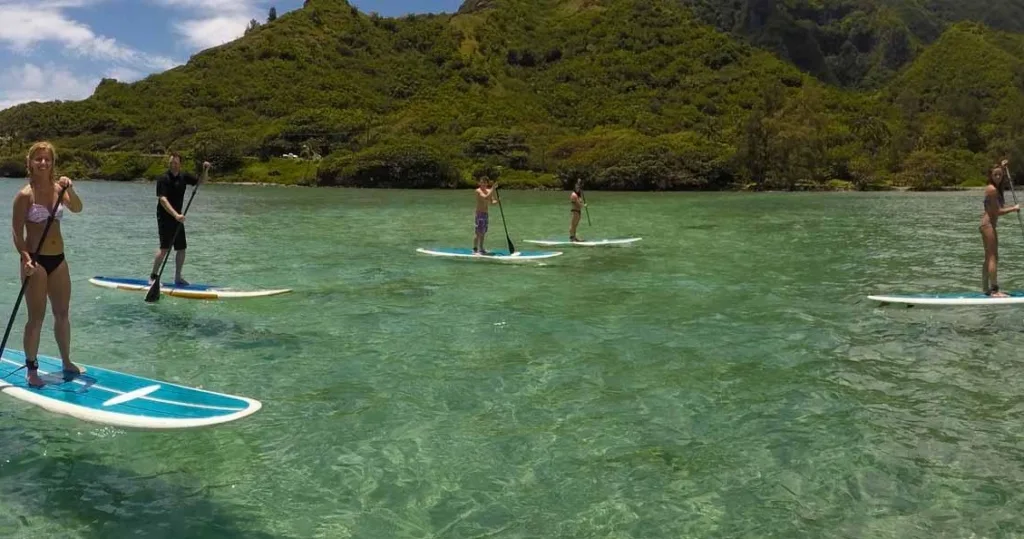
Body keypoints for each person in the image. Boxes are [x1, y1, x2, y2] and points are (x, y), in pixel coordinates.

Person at [11, 141, 84, 387]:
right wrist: (25, 257)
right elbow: (16, 232)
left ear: (53, 162)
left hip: (59, 259)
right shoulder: (24, 195)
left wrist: (69, 189)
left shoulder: (59, 189)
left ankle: (67, 361)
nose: (43, 163)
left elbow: (77, 208)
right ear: (30, 162)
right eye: (38, 159)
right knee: (36, 317)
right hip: (35, 260)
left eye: (47, 159)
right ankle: (31, 368)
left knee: (62, 313)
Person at [149, 153, 210, 286]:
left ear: (180, 164)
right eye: (171, 163)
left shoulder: (184, 177)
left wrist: (205, 170)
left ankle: (178, 277)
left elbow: (201, 182)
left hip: (178, 218)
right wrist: (175, 215)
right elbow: (163, 200)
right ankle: (153, 277)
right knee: (164, 248)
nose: (173, 165)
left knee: (181, 248)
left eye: (176, 163)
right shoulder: (163, 178)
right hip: (165, 217)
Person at [980, 159, 1020, 297]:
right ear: (990, 176)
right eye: (995, 175)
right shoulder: (991, 190)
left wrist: (1003, 167)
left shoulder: (996, 189)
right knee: (993, 257)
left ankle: (986, 289)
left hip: (988, 225)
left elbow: (1002, 187)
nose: (998, 177)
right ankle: (994, 290)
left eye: (1000, 175)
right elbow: (998, 211)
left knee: (989, 257)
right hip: (988, 225)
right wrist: (1014, 209)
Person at [473, 175, 498, 254]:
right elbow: (486, 198)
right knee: (478, 233)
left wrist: (497, 201)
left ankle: (481, 249)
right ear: (479, 183)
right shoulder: (478, 191)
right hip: (479, 214)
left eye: (485, 183)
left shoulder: (488, 190)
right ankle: (475, 249)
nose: (483, 184)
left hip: (485, 214)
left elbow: (491, 201)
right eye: (482, 182)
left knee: (483, 232)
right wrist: (493, 189)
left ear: (487, 184)